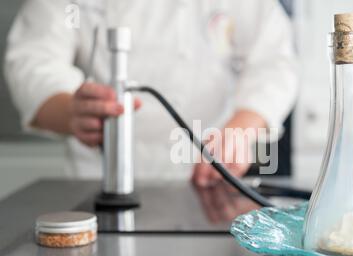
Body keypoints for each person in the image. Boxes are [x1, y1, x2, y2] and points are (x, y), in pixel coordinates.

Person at [4, 0, 298, 186]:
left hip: (210, 183)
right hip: (98, 184)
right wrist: (71, 112)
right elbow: (32, 59)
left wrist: (241, 130)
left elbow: (275, 63)